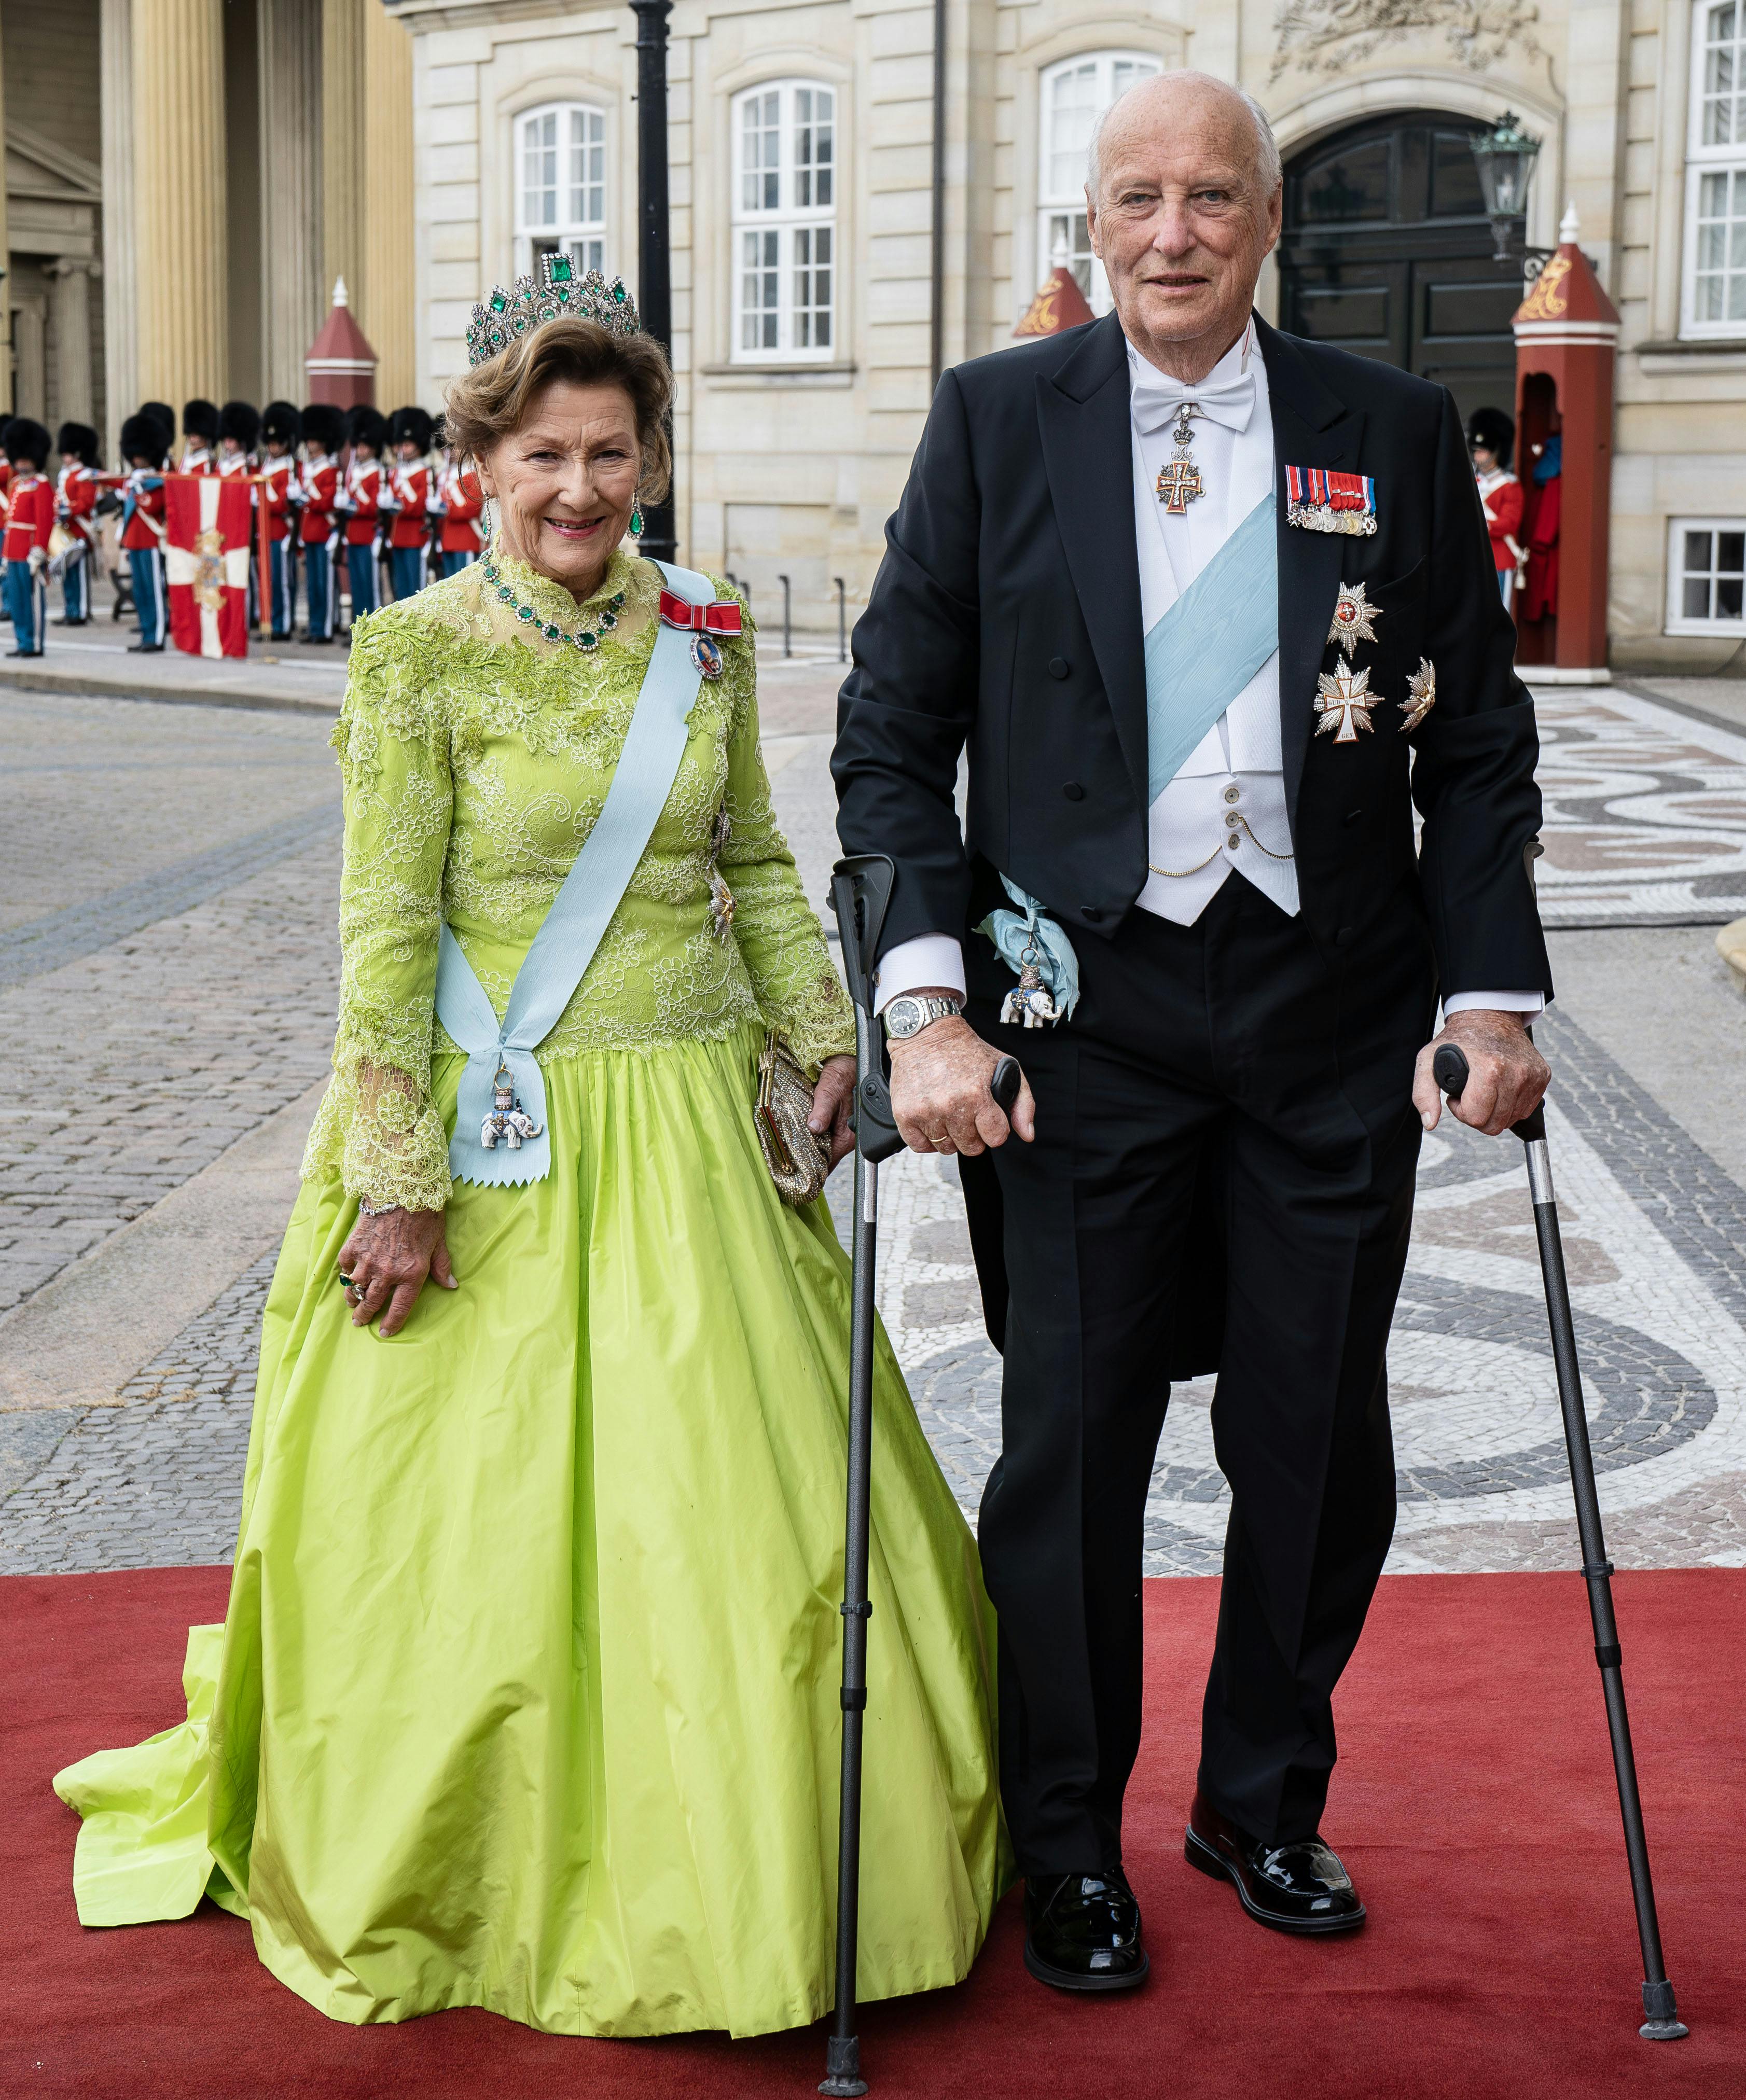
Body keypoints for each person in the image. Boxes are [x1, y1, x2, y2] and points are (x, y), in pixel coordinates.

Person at [54, 277, 1005, 2037]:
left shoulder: (703, 636)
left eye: (612, 454)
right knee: (463, 1535)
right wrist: (394, 1172)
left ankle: (751, 1864)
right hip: (494, 1145)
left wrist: (817, 1043)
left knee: (732, 1526)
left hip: (690, 1139)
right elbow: (384, 932)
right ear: (481, 457)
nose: (582, 487)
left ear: (647, 457)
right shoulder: (413, 650)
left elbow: (763, 874)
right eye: (547, 453)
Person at [834, 70, 1551, 1992]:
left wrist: (1490, 988)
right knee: (1074, 1436)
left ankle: (1260, 1798)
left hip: (1331, 1012)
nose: (1175, 228)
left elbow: (1475, 748)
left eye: (1212, 195)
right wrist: (924, 1010)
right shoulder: (999, 422)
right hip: (1084, 1022)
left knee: (1320, 1437)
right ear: (1093, 221)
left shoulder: (1386, 431)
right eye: (1139, 195)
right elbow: (894, 742)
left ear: (1266, 221)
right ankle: (1067, 1838)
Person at [2, 418, 54, 657]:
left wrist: (40, 549)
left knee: (32, 601)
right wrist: (5, 555)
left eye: (26, 458)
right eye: (19, 458)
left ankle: (34, 644)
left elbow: (45, 520)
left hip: (30, 551)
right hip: (13, 550)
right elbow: (10, 521)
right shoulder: (16, 484)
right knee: (17, 599)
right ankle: (22, 641)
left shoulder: (41, 486)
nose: (22, 463)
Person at [118, 414, 169, 652]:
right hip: (135, 542)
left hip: (150, 541)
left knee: (154, 590)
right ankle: (146, 632)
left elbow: (152, 506)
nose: (137, 458)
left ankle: (157, 637)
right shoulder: (134, 480)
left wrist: (137, 490)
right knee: (140, 591)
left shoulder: (156, 480)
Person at [297, 403, 344, 643]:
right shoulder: (309, 468)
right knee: (313, 585)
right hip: (310, 532)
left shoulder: (330, 470)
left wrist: (307, 496)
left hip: (325, 532)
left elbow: (327, 502)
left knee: (324, 585)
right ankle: (315, 626)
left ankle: (325, 629)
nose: (310, 442)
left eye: (315, 439)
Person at [1469, 407, 1523, 610]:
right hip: (1476, 558)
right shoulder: (1473, 483)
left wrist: (1478, 524)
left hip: (1500, 560)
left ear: (1496, 452)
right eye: (1477, 451)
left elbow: (1508, 524)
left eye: (1483, 451)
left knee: (1500, 611)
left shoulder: (1510, 486)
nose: (1478, 456)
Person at [339, 405, 387, 624]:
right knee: (357, 585)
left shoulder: (377, 471)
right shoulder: (354, 471)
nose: (360, 450)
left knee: (370, 586)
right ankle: (358, 625)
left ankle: (372, 625)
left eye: (364, 446)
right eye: (358, 445)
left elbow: (373, 506)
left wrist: (356, 504)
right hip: (354, 534)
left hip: (368, 533)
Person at [259, 401, 301, 641]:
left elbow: (280, 504)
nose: (273, 447)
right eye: (271, 442)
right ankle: (271, 622)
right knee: (270, 583)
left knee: (283, 582)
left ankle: (283, 624)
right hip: (266, 532)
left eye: (277, 443)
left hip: (282, 531)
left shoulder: (290, 468)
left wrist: (264, 496)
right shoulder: (267, 466)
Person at [53, 421, 102, 627]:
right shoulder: (65, 474)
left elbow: (86, 502)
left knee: (79, 575)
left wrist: (68, 510)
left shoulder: (85, 474)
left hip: (80, 529)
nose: (65, 457)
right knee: (67, 574)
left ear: (78, 453)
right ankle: (70, 610)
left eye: (69, 453)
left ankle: (80, 612)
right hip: (67, 530)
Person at [385, 405, 433, 600]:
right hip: (397, 536)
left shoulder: (425, 472)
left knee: (416, 588)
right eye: (401, 444)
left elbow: (419, 505)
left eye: (408, 444)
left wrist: (404, 490)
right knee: (400, 586)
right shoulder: (396, 472)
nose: (403, 449)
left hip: (415, 535)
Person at [432, 420, 485, 574]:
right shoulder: (445, 475)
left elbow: (469, 510)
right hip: (447, 540)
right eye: (450, 447)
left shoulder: (473, 474)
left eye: (457, 447)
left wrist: (446, 507)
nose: (453, 452)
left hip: (467, 539)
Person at [179, 399, 220, 476]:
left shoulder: (210, 465)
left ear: (206, 436)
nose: (191, 440)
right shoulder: (185, 461)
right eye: (190, 435)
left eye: (195, 436)